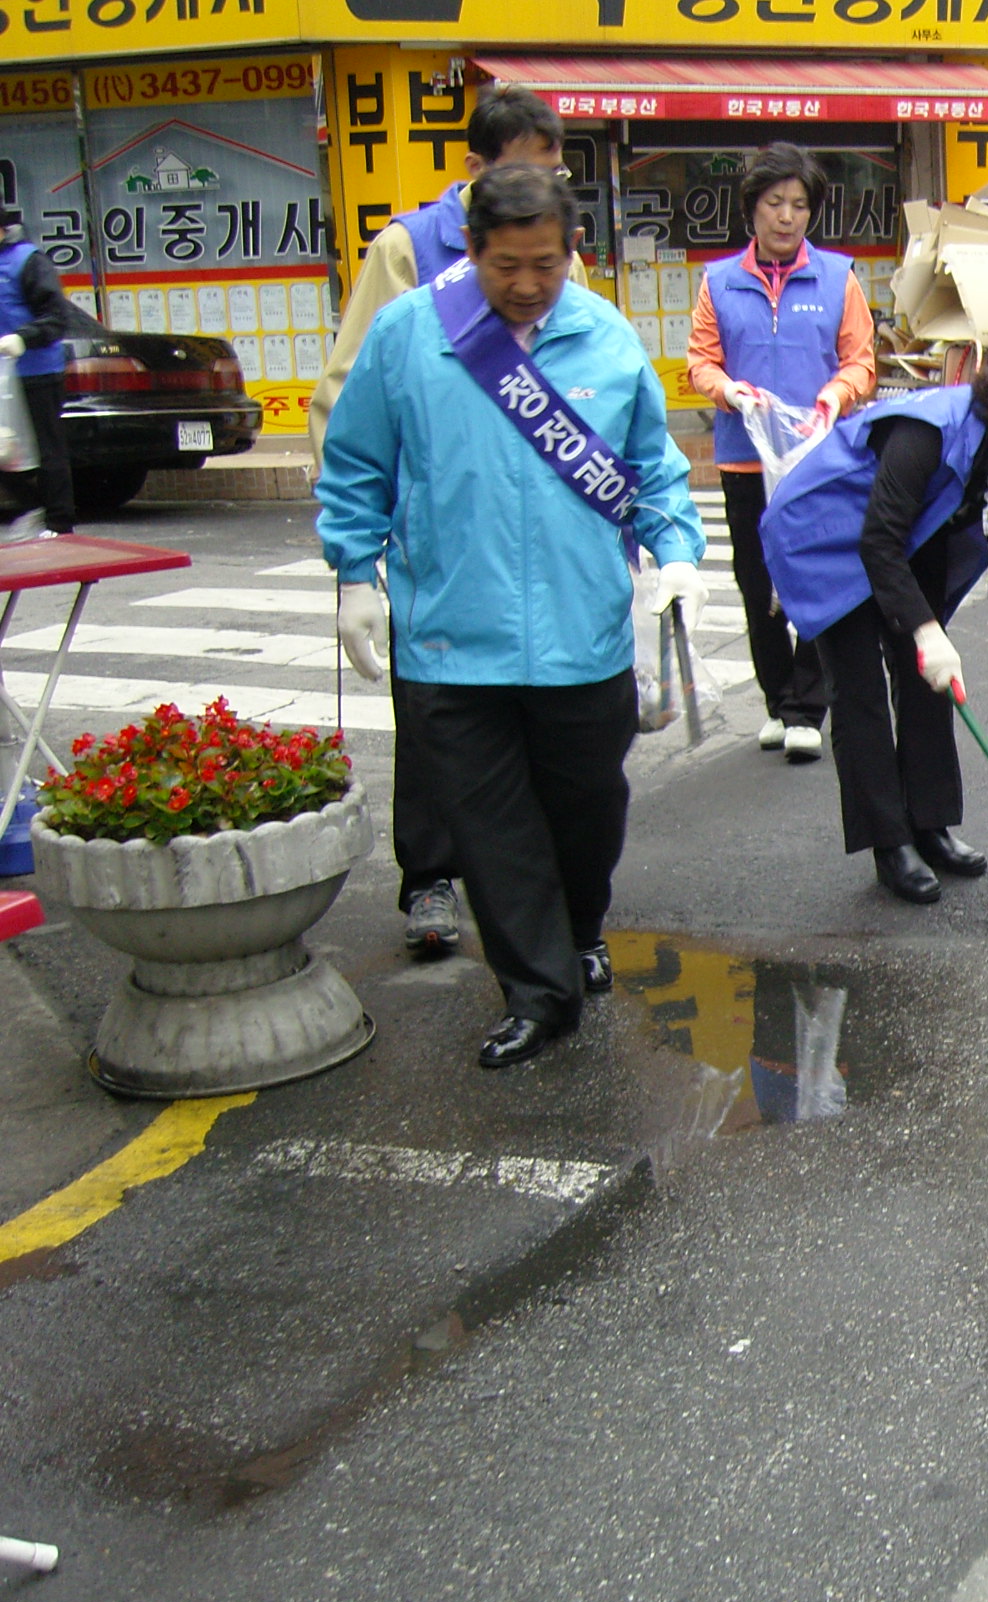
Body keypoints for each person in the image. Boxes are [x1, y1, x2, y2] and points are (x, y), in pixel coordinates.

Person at [317, 166, 706, 1069]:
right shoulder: (411, 334)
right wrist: (354, 578)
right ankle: (540, 993)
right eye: (505, 266)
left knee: (587, 811)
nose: (527, 284)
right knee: (492, 829)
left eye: (546, 264)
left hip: (583, 637)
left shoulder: (605, 336)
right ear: (473, 253)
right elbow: (358, 464)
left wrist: (677, 553)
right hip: (452, 637)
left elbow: (651, 466)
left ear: (574, 252)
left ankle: (578, 930)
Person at [312, 84, 585, 962]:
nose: (536, 194)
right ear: (473, 173)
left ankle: (548, 906)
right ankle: (429, 876)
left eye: (552, 174)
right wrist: (358, 560)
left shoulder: (558, 255)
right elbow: (349, 394)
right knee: (437, 717)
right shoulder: (408, 249)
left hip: (542, 539)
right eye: (520, 172)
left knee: (545, 731)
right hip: (444, 537)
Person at [761, 338, 988, 904]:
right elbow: (877, 539)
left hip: (909, 539)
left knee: (929, 681)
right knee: (861, 694)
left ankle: (929, 824)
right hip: (827, 541)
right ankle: (889, 842)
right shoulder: (928, 431)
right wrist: (926, 631)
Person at [687, 143, 875, 765]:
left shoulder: (838, 276)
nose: (787, 217)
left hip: (815, 461)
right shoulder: (718, 282)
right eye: (775, 203)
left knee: (815, 579)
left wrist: (834, 395)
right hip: (745, 458)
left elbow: (860, 362)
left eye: (799, 205)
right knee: (755, 583)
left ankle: (807, 708)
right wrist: (728, 391)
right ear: (752, 209)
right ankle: (777, 700)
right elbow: (700, 361)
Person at [0, 206, 74, 543]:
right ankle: (29, 507)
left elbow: (56, 317)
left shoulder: (28, 261)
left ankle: (58, 524)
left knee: (48, 448)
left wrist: (23, 338)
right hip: (3, 373)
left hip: (36, 370)